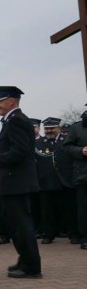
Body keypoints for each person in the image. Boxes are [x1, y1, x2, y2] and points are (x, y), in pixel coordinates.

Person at [0, 86, 41, 278]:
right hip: (13, 183)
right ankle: (24, 260)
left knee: (22, 226)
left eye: (0, 101)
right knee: (16, 226)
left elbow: (20, 151)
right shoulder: (13, 121)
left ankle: (31, 267)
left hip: (17, 184)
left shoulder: (17, 121)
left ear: (11, 101)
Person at [35, 117, 76, 244]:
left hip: (65, 182)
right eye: (46, 129)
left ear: (58, 128)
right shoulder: (38, 143)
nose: (49, 131)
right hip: (46, 183)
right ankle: (48, 235)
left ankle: (73, 234)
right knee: (47, 212)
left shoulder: (67, 141)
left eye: (52, 128)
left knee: (69, 210)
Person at [62, 106, 87, 250]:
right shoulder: (77, 128)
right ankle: (84, 236)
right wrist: (81, 150)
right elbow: (67, 147)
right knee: (83, 208)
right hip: (83, 174)